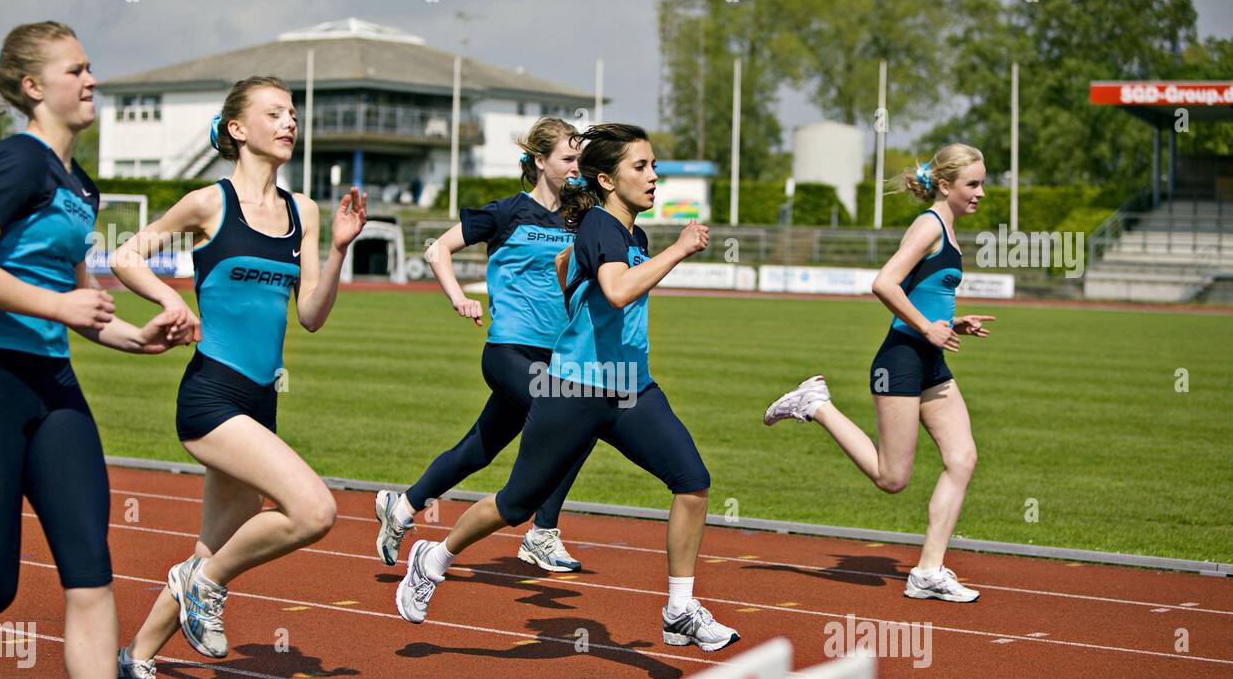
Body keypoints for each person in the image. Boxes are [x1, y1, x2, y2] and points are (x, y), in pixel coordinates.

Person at [0, 22, 184, 679]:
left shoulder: (79, 185)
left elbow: (79, 304)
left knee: (90, 566)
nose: (92, 81)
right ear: (34, 87)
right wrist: (60, 305)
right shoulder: (15, 160)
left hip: (54, 388)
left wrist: (136, 339)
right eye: (77, 70)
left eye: (91, 68)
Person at [395, 123, 739, 652]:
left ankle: (679, 608)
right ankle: (434, 557)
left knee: (692, 482)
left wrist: (574, 275)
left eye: (654, 166)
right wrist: (681, 250)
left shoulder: (631, 235)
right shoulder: (601, 225)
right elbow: (618, 290)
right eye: (640, 167)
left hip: (630, 388)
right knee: (515, 505)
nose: (654, 177)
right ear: (606, 178)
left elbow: (571, 272)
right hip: (574, 390)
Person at [108, 75, 366, 679]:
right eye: (273, 113)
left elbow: (309, 314)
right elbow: (125, 255)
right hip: (211, 397)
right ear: (236, 129)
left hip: (261, 400)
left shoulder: (302, 211)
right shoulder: (207, 204)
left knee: (210, 545)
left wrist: (335, 252)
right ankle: (207, 586)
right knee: (313, 511)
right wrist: (171, 300)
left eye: (292, 114)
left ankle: (135, 659)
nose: (288, 123)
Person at [764, 143, 995, 602]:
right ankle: (816, 405)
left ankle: (929, 570)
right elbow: (884, 282)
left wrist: (953, 323)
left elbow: (924, 291)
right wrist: (927, 326)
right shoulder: (929, 225)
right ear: (946, 185)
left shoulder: (946, 227)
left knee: (963, 458)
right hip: (901, 361)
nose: (981, 192)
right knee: (893, 479)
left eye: (983, 182)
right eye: (973, 183)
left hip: (931, 359)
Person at [375, 117, 596, 574]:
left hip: (560, 354)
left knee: (479, 449)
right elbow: (437, 249)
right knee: (571, 417)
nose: (577, 167)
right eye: (568, 158)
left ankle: (403, 506)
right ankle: (542, 532)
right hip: (509, 350)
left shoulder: (582, 217)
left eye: (580, 159)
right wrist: (460, 298)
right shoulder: (506, 212)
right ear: (540, 161)